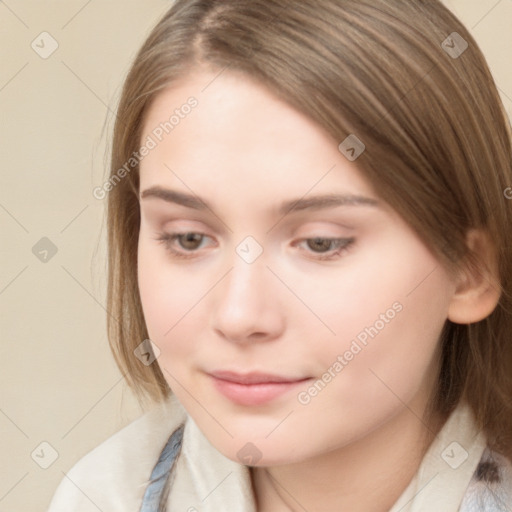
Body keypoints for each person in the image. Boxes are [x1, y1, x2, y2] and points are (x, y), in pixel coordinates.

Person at [47, 0, 512, 510]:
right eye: (189, 238)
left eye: (320, 243)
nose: (239, 315)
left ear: (470, 271)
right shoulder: (101, 495)